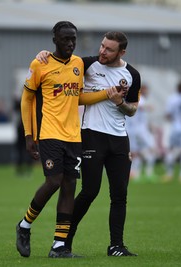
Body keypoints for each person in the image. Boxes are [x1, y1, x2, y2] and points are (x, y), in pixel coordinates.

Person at [15, 21, 123, 259]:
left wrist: (106, 94)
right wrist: (28, 134)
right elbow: (26, 100)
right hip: (49, 133)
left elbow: (77, 98)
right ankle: (24, 225)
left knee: (69, 187)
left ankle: (59, 246)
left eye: (73, 39)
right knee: (53, 182)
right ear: (55, 39)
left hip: (74, 136)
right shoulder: (40, 64)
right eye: (65, 39)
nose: (71, 43)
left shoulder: (79, 64)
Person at [36, 31, 141, 257]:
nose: (102, 51)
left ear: (121, 52)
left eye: (109, 49)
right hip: (91, 135)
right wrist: (43, 54)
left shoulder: (132, 74)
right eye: (102, 46)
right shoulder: (86, 65)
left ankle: (116, 246)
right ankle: (63, 242)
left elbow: (132, 110)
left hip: (119, 140)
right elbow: (60, 62)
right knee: (90, 191)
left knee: (120, 194)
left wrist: (119, 102)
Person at [126, 84, 158, 182]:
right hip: (140, 130)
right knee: (152, 149)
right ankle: (149, 173)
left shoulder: (127, 100)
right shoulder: (140, 99)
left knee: (135, 153)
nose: (146, 92)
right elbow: (143, 107)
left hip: (131, 130)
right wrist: (149, 107)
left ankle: (135, 173)